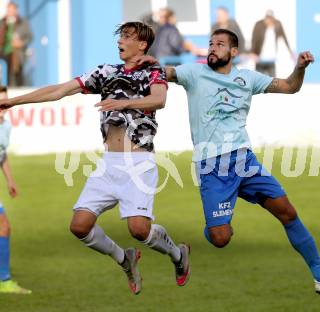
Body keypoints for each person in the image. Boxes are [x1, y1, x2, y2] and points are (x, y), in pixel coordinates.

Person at [139, 28, 320, 294]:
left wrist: (300, 68)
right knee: (220, 238)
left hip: (245, 161)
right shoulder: (194, 73)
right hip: (212, 166)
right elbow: (166, 73)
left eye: (219, 44)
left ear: (233, 52)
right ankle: (191, 245)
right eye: (210, 44)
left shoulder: (247, 78)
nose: (212, 48)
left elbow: (289, 87)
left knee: (287, 212)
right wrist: (152, 64)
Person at [0, 22, 190, 294]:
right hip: (109, 164)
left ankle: (178, 254)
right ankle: (125, 258)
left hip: (138, 162)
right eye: (120, 36)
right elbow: (59, 90)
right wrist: (13, 102)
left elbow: (159, 100)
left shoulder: (153, 70)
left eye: (127, 36)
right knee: (79, 226)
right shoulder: (105, 72)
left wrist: (124, 103)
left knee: (139, 229)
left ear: (142, 44)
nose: (120, 41)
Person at [0, 85, 31, 294]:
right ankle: (4, 280)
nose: (3, 106)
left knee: (4, 228)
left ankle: (4, 280)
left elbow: (2, 155)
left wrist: (10, 180)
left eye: (5, 101)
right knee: (3, 227)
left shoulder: (6, 126)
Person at [251, 10, 294, 77]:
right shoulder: (259, 24)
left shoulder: (277, 25)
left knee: (273, 81)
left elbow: (284, 38)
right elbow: (254, 39)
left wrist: (290, 52)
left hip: (271, 58)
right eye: (267, 18)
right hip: (260, 57)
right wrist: (253, 52)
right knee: (258, 80)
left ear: (273, 19)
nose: (268, 21)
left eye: (270, 19)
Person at [0, 2, 33, 87]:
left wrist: (21, 43)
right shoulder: (2, 22)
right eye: (8, 10)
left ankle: (16, 87)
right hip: (3, 50)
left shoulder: (23, 22)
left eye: (12, 10)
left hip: (17, 51)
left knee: (15, 62)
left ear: (16, 10)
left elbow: (30, 37)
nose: (10, 12)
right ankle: (4, 87)